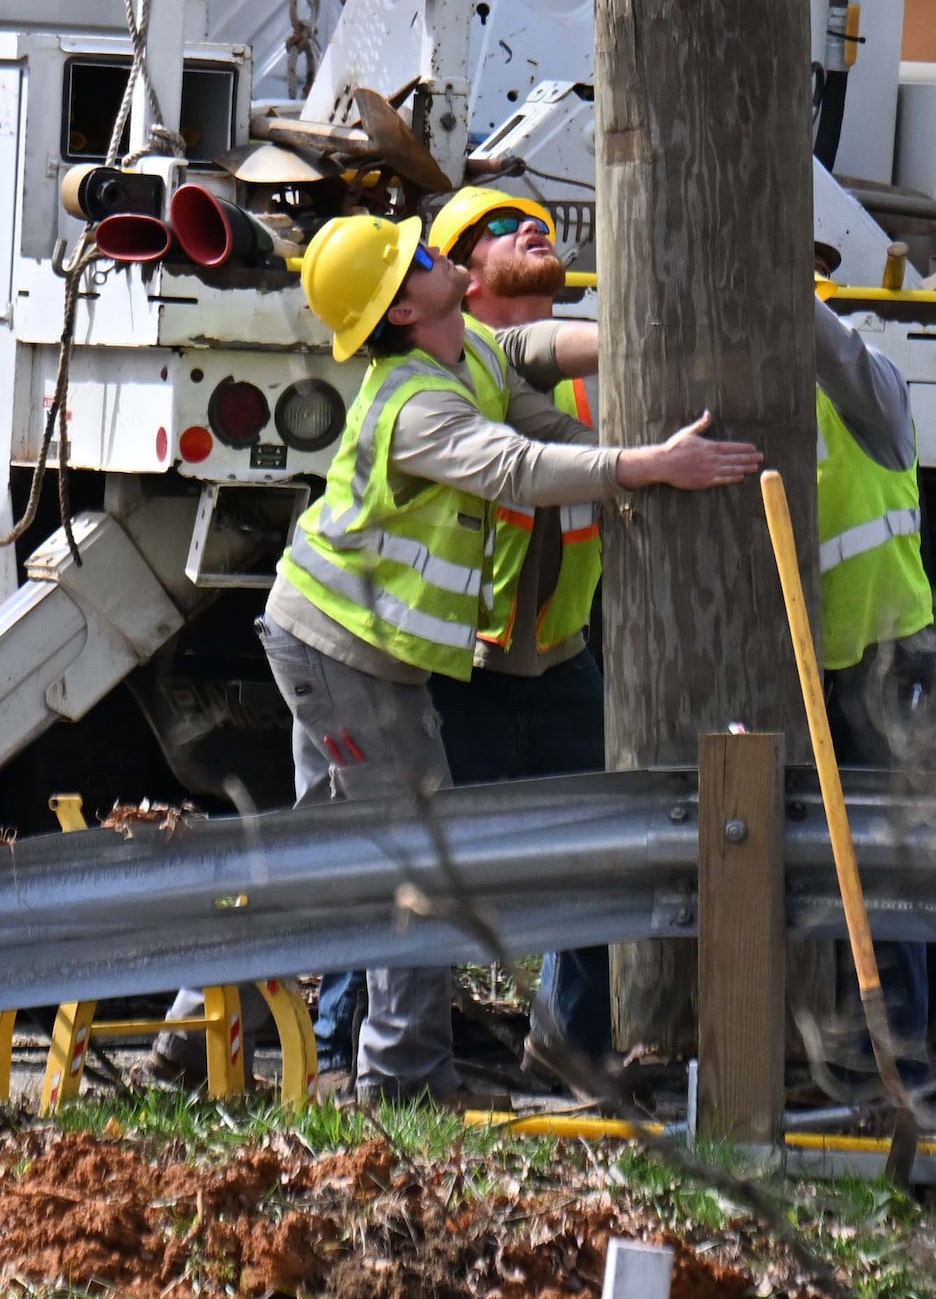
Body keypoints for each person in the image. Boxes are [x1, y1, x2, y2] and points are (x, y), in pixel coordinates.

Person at [264, 211, 764, 1104]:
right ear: (406, 310)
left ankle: (220, 1032)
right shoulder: (413, 402)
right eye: (416, 258)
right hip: (339, 648)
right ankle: (402, 1077)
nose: (434, 256)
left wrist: (637, 446)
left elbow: (540, 397)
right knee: (419, 857)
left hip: (361, 653)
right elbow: (517, 467)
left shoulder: (471, 359)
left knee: (331, 846)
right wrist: (645, 468)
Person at [305, 188, 612, 1085]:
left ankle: (570, 1051)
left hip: (559, 659)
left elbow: (553, 356)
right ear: (454, 283)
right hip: (460, 664)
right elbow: (523, 462)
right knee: (404, 860)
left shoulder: (532, 358)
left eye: (539, 223)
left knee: (601, 845)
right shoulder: (434, 384)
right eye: (491, 232)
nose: (532, 231)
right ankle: (336, 1046)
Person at [806, 288, 936, 1082]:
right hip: (829, 661)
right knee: (832, 851)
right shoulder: (778, 411)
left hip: (893, 657)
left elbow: (831, 346)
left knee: (890, 854)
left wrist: (770, 276)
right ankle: (864, 1041)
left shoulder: (872, 394)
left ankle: (898, 1050)